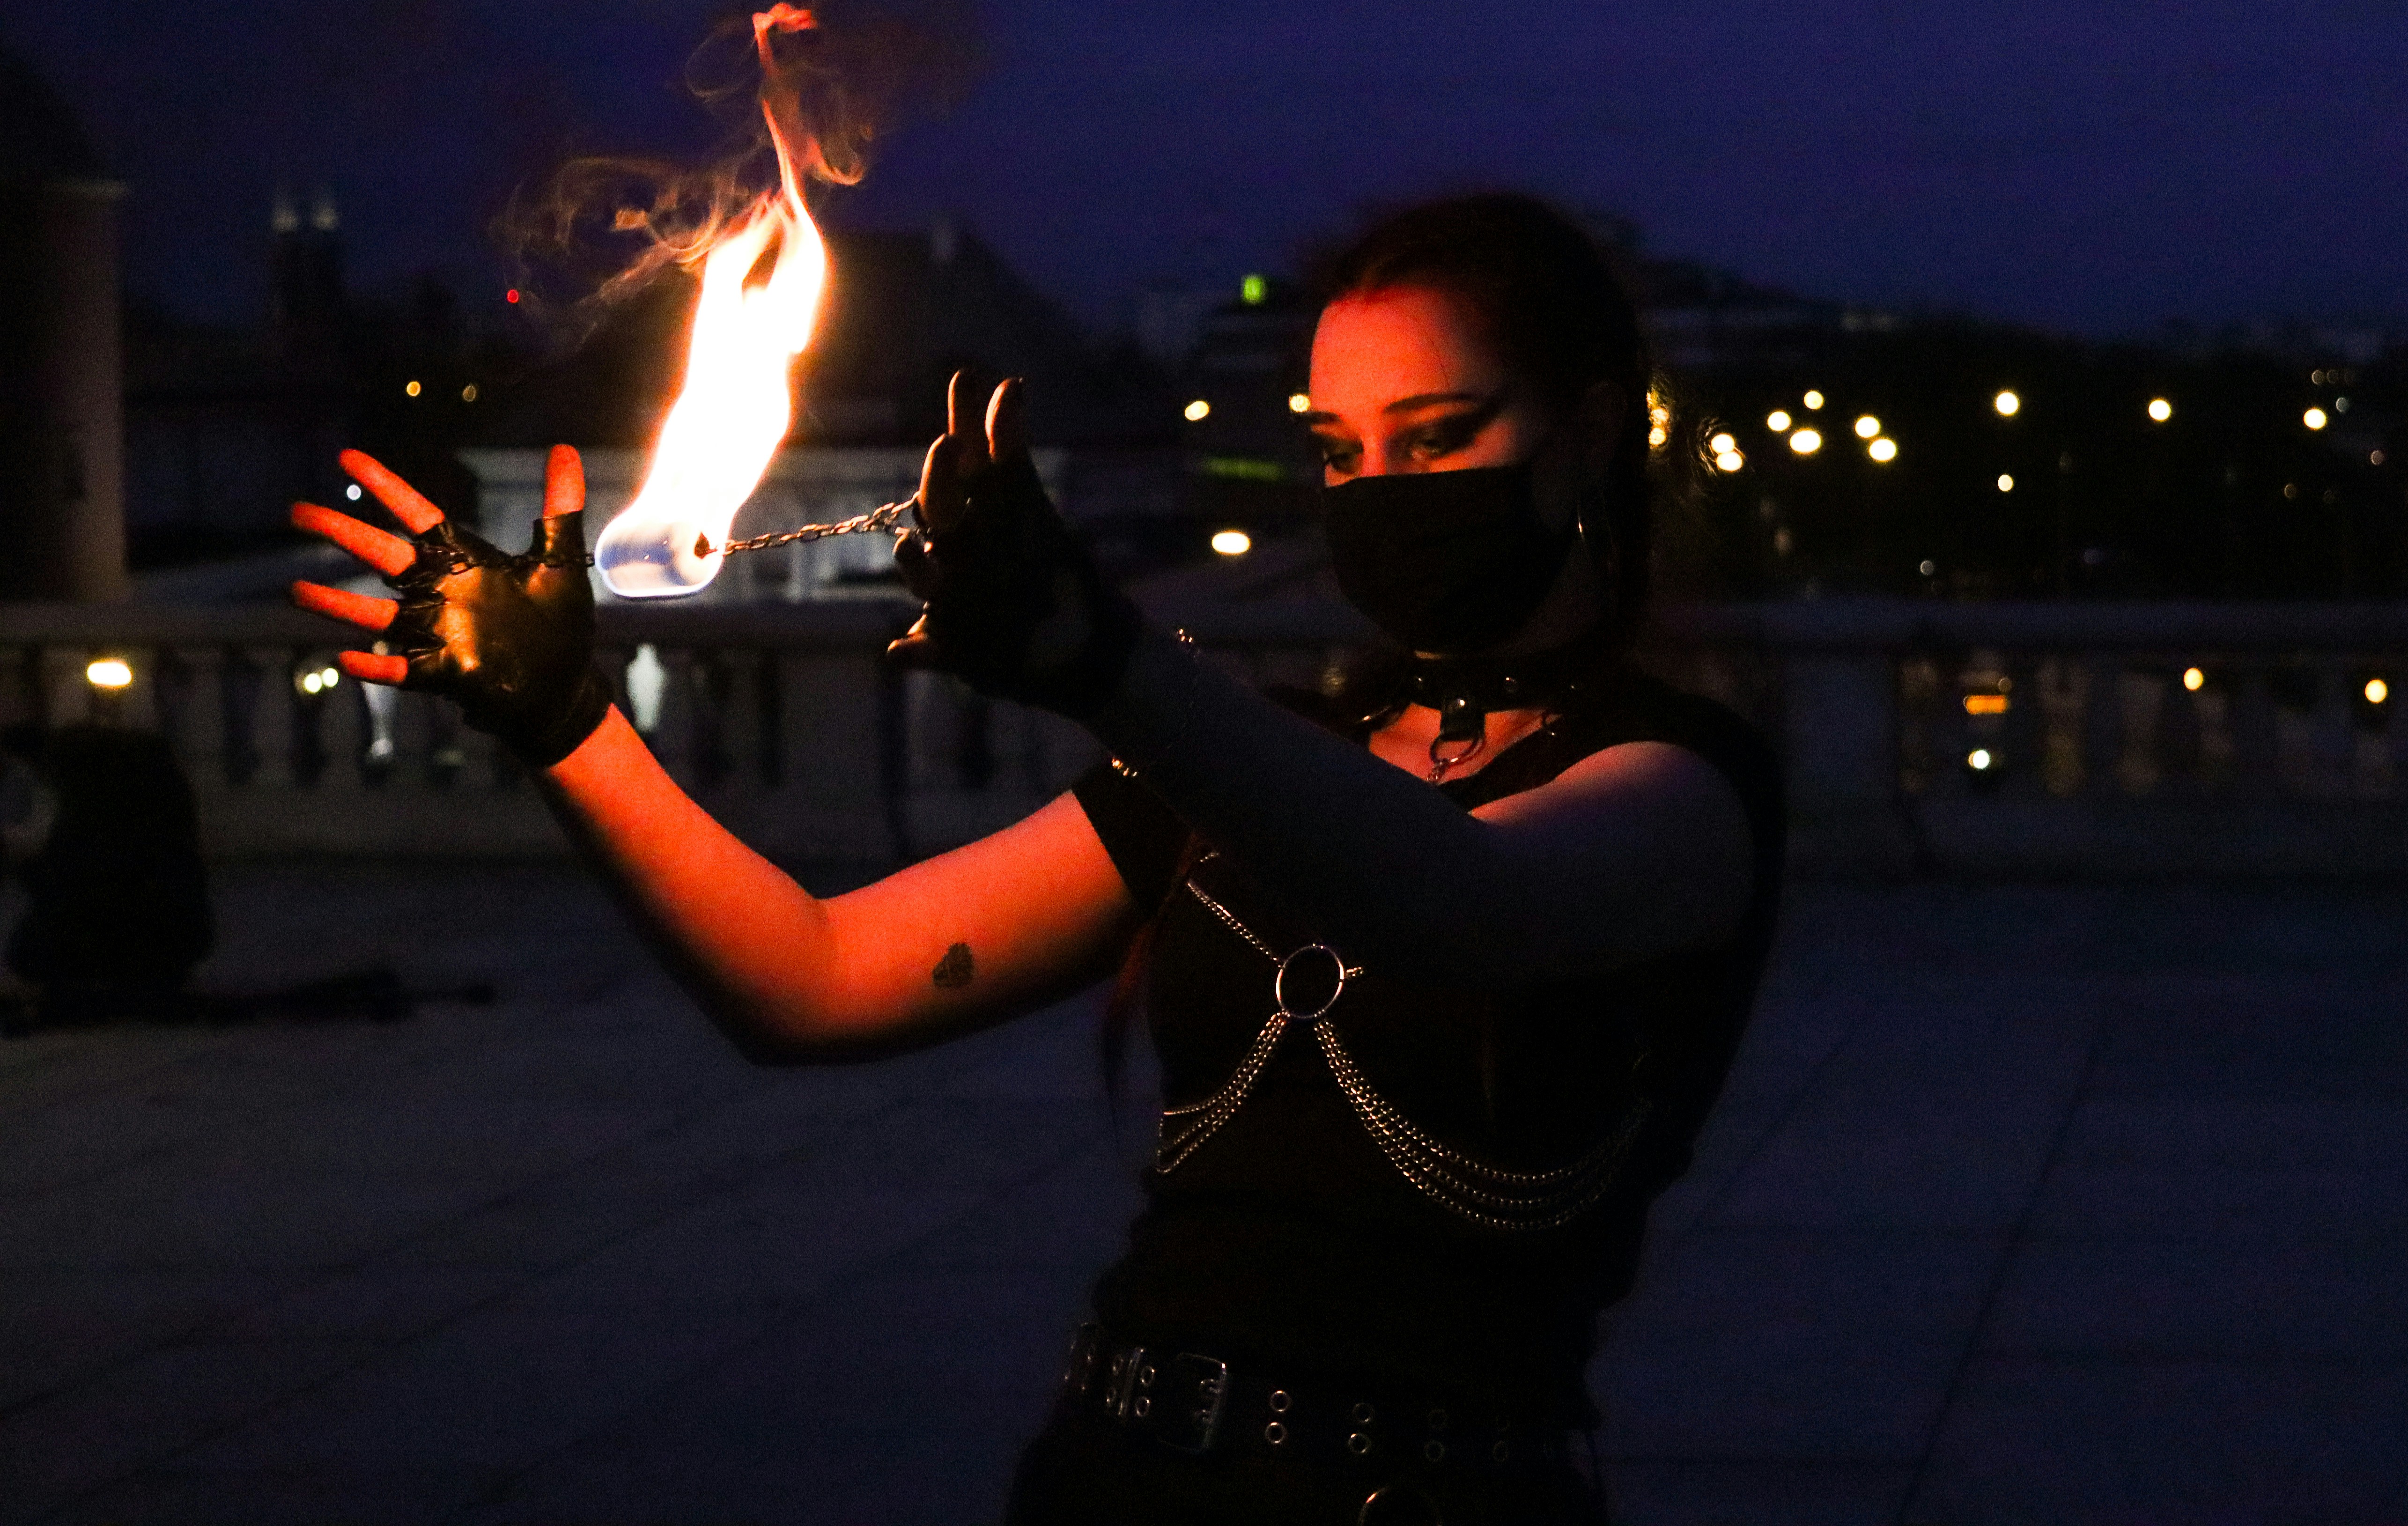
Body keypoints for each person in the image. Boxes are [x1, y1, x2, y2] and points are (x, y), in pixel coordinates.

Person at [290, 192, 1781, 1525]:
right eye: (1336, 448)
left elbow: (1461, 901)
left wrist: (1105, 659)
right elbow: (814, 981)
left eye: (1439, 437)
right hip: (1112, 1485)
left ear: (1588, 435)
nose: (1377, 489)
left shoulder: (1676, 789)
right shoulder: (1235, 767)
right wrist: (570, 727)